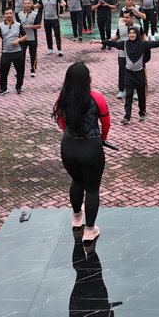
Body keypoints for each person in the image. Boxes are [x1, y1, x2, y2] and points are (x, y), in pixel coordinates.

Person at [53, 62, 111, 243]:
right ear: (87, 79)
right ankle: (90, 230)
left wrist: (69, 134)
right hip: (91, 148)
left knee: (77, 181)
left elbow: (61, 121)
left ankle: (77, 218)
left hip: (69, 147)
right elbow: (106, 123)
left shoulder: (62, 97)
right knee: (92, 189)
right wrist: (101, 138)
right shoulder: (97, 98)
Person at [101, 28, 159, 123]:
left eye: (133, 33)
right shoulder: (124, 44)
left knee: (141, 95)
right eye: (130, 33)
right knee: (129, 96)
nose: (132, 35)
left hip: (139, 74)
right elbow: (113, 43)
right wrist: (100, 41)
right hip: (128, 74)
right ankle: (127, 116)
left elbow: (155, 44)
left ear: (137, 34)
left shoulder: (143, 44)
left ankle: (142, 112)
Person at [0, 8, 27, 95]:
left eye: (10, 13)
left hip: (18, 52)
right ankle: (3, 88)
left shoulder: (18, 24)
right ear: (4, 15)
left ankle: (18, 87)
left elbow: (25, 36)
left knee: (20, 71)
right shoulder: (0, 25)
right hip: (6, 52)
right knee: (3, 72)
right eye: (7, 13)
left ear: (13, 14)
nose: (9, 15)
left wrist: (18, 40)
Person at [18, 0, 42, 77]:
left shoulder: (35, 14)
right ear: (23, 4)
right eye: (25, 3)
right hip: (23, 38)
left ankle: (33, 69)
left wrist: (31, 26)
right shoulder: (19, 14)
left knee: (33, 55)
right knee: (21, 55)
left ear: (31, 4)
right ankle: (20, 71)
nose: (27, 5)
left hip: (32, 38)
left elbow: (39, 26)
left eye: (28, 3)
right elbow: (17, 26)